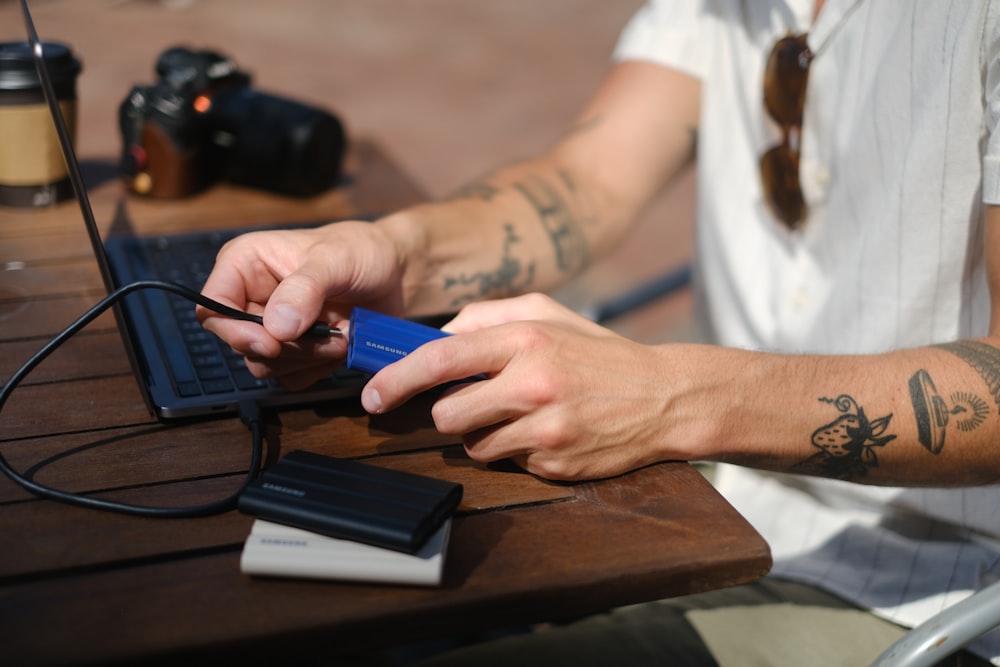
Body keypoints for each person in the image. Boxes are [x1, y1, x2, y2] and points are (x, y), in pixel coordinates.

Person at [199, 0, 1000, 664]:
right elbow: (586, 184)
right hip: (702, 506)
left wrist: (671, 397)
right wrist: (397, 253)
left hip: (925, 591)